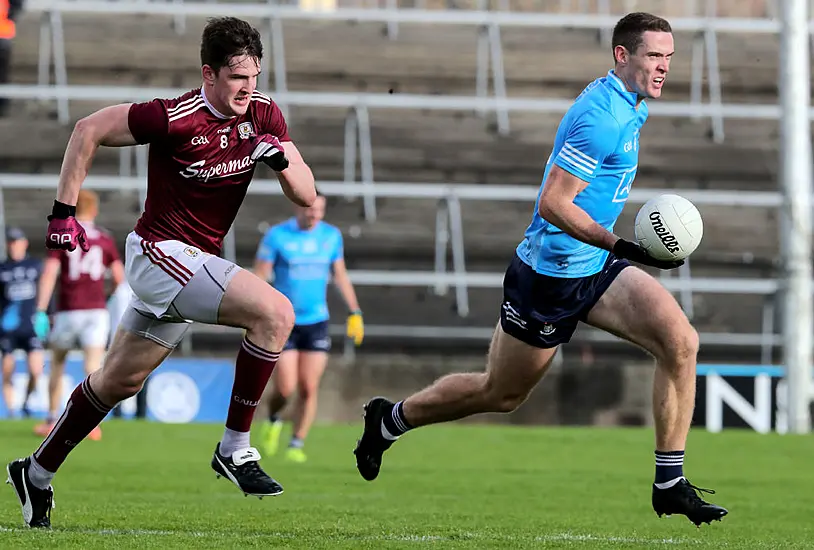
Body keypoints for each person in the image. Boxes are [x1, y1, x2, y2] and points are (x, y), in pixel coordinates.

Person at [353, 12, 728, 528]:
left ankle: (669, 483)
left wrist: (613, 248)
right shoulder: (603, 117)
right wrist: (619, 241)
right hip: (550, 275)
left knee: (680, 342)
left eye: (668, 57)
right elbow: (553, 203)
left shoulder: (630, 103)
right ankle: (390, 419)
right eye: (653, 56)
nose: (664, 67)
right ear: (623, 56)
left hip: (594, 265)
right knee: (500, 393)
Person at [6, 16, 315, 528]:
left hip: (192, 265)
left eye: (255, 76)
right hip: (159, 254)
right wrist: (62, 214)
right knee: (276, 314)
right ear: (209, 73)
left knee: (118, 381)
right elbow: (89, 130)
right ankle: (235, 447)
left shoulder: (263, 116)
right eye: (237, 77)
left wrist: (279, 157)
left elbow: (306, 193)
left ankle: (35, 471)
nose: (248, 88)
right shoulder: (175, 116)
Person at [254, 191, 363, 463]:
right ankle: (274, 418)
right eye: (310, 209)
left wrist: (355, 310)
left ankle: (296, 443)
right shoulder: (277, 236)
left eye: (320, 210)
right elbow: (260, 276)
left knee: (308, 387)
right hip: (285, 321)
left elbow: (339, 274)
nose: (314, 214)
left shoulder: (330, 236)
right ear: (298, 206)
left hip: (316, 321)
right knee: (286, 388)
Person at [32, 189, 125, 440]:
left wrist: (41, 309)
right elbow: (119, 277)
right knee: (92, 368)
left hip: (68, 310)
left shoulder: (62, 235)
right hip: (96, 311)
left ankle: (52, 418)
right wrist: (107, 296)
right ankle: (90, 424)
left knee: (57, 363)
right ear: (94, 210)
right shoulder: (105, 239)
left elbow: (50, 274)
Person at [0, 228, 45, 418]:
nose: (13, 246)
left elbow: (45, 292)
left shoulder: (35, 266)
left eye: (17, 242)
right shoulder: (2, 269)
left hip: (31, 326)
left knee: (36, 370)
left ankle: (26, 402)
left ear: (24, 243)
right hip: (7, 328)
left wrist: (46, 315)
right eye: (10, 243)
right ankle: (12, 412)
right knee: (8, 370)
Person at [0, 0, 23, 117]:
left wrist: (11, 14)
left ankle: (2, 104)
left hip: (2, 33)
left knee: (2, 73)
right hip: (3, 33)